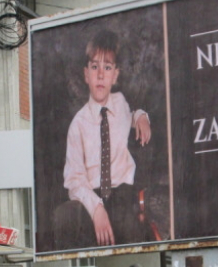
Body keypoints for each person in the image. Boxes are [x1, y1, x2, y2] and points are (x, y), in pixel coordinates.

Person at [52, 29, 151, 249]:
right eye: (94, 67)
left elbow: (132, 114)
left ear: (115, 75)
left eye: (107, 68)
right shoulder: (77, 125)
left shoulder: (121, 102)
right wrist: (96, 208)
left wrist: (141, 116)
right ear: (86, 73)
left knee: (132, 220)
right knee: (69, 215)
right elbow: (74, 180)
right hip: (93, 198)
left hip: (124, 197)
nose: (100, 75)